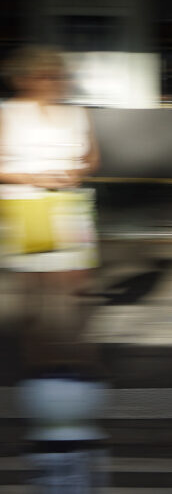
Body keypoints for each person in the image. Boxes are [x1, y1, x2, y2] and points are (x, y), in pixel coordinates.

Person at [0, 45, 100, 370]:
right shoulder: (8, 112)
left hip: (70, 204)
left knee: (78, 284)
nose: (55, 82)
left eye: (59, 76)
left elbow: (92, 157)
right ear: (24, 79)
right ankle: (35, 353)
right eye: (46, 76)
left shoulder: (77, 112)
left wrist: (79, 170)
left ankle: (78, 351)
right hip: (25, 205)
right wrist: (34, 177)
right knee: (36, 287)